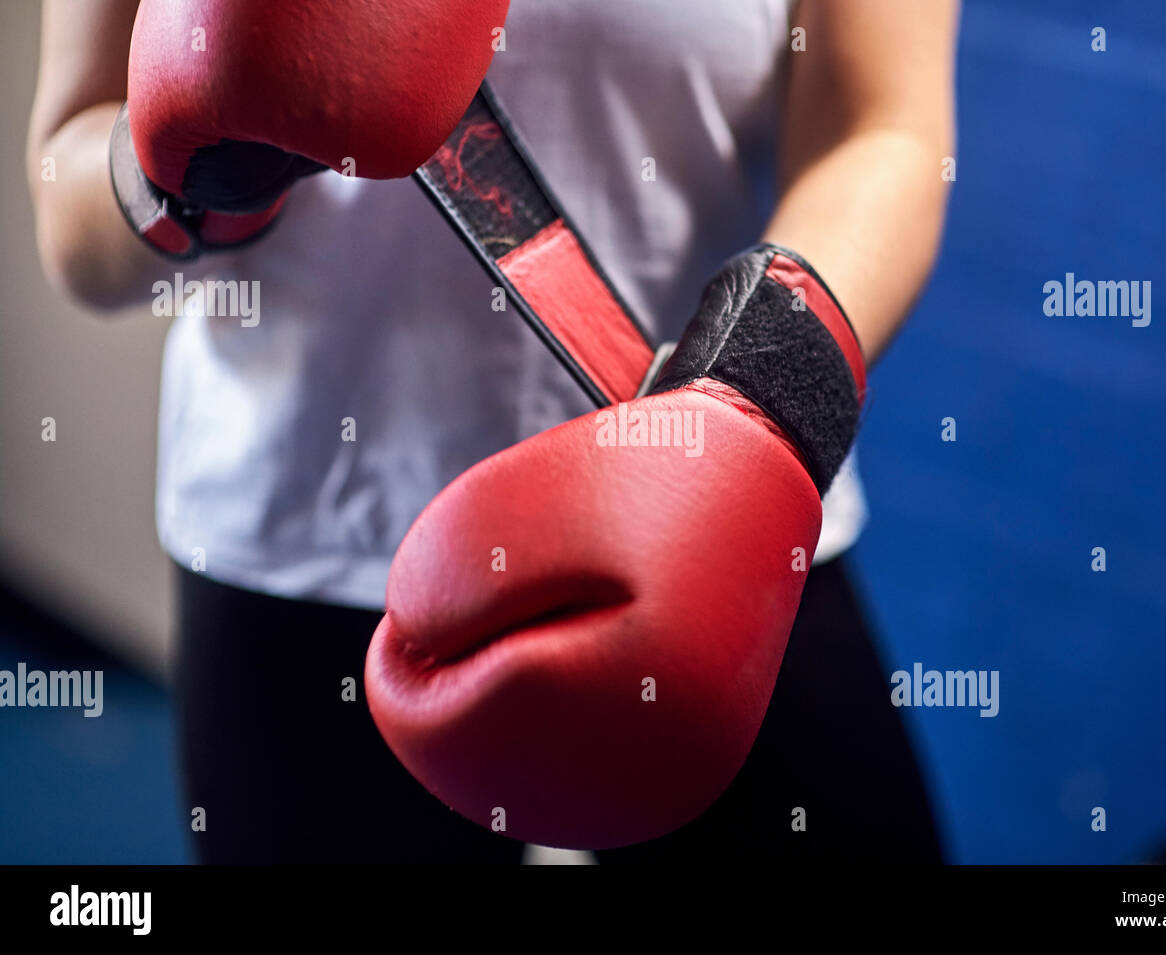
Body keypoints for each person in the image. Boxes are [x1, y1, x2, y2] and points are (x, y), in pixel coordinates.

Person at [27, 0, 958, 862]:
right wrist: (185, 167)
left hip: (711, 513)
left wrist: (748, 400)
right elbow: (71, 218)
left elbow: (882, 130)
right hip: (310, 533)